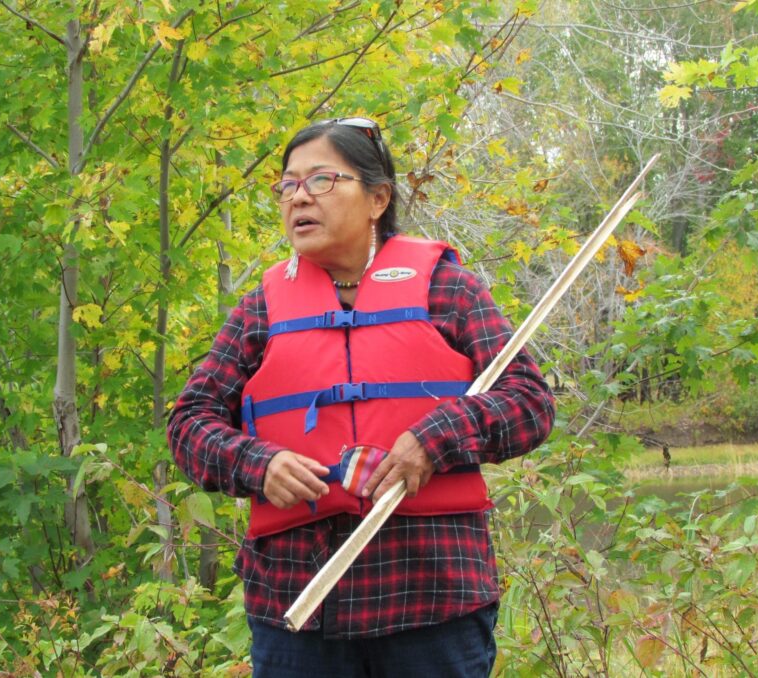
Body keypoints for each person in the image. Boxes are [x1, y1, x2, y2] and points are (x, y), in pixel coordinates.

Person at [168, 117, 555, 677]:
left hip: (433, 601)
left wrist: (434, 440)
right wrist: (260, 463)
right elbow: (188, 424)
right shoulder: (263, 309)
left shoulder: (448, 290)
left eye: (321, 180)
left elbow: (529, 403)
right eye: (288, 184)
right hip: (297, 610)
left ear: (377, 197)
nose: (299, 197)